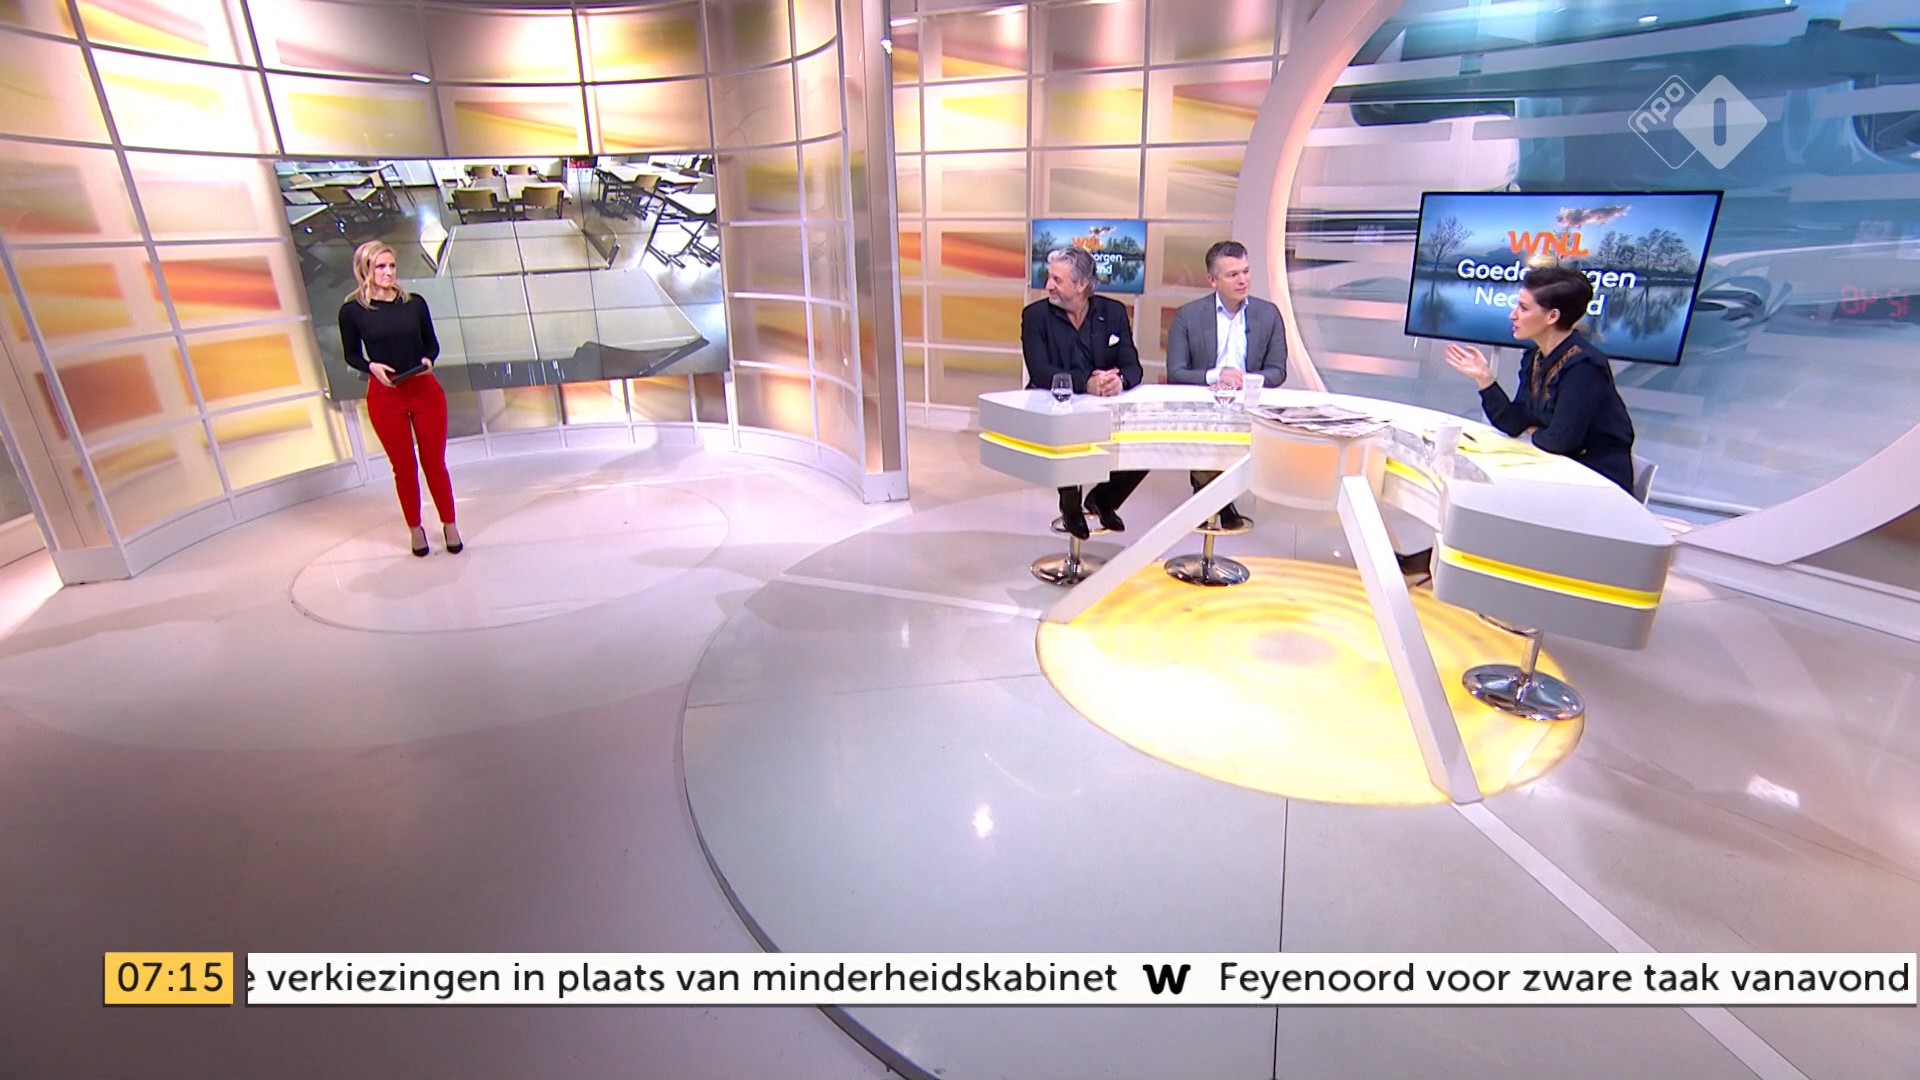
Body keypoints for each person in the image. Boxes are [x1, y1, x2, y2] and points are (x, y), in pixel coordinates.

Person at [1442, 265, 1637, 494]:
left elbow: (1559, 441)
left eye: (1523, 308)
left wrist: (1534, 431)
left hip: (1597, 481)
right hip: (1555, 470)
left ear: (1552, 316)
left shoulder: (1584, 367)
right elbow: (1513, 423)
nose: (1512, 315)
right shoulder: (1534, 358)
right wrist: (1484, 378)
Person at [338, 240, 462, 557]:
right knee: (404, 468)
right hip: (386, 395)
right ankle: (415, 529)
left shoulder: (414, 303)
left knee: (434, 463)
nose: (388, 272)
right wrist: (370, 367)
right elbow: (351, 354)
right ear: (364, 270)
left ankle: (450, 525)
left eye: (392, 266)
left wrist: (429, 360)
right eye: (380, 266)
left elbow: (431, 343)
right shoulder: (352, 311)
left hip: (423, 389)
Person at [1020, 247, 1146, 540]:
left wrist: (1119, 381)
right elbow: (1040, 371)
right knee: (1069, 435)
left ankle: (1104, 499)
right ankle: (1070, 502)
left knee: (1147, 441)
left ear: (1082, 285)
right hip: (1056, 405)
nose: (1048, 285)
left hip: (1102, 405)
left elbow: (1132, 366)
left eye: (1057, 280)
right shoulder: (1035, 316)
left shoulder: (1113, 312)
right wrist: (1085, 383)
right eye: (1049, 277)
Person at [1165, 240, 1288, 527]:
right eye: (1233, 274)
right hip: (1205, 404)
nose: (1243, 280)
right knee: (1210, 430)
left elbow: (1277, 371)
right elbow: (1176, 373)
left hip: (1248, 404)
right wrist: (1217, 376)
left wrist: (1246, 381)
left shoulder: (1268, 314)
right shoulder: (1187, 316)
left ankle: (1212, 498)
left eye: (1246, 271)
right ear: (1212, 280)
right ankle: (1217, 500)